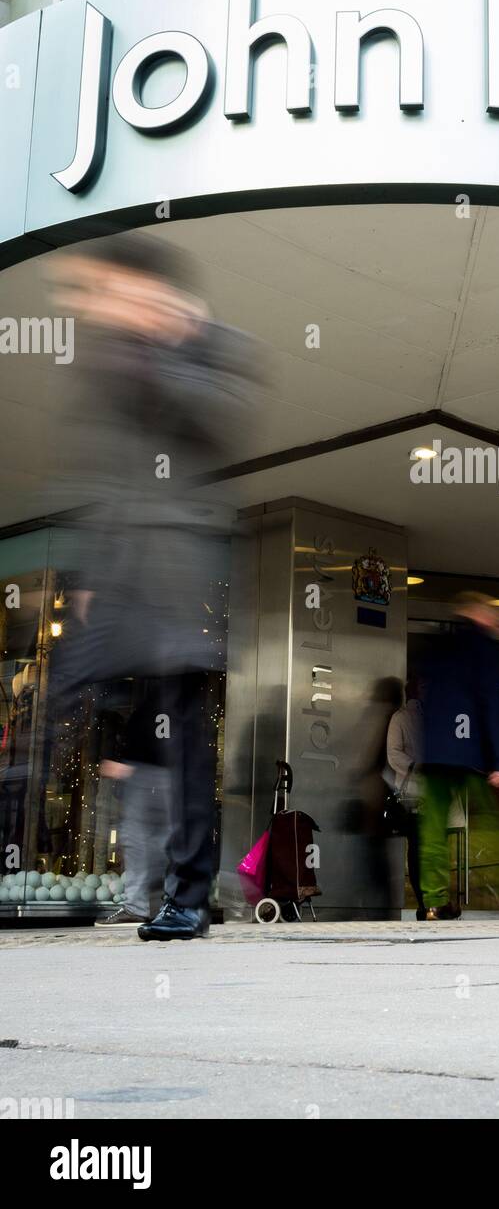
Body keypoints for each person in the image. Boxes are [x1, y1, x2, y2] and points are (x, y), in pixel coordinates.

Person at [48, 231, 261, 941]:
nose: (89, 304)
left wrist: (168, 340)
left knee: (187, 740)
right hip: (116, 575)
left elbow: (215, 427)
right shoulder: (102, 355)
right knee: (55, 707)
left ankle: (188, 896)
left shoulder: (202, 342)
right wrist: (87, 576)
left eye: (98, 288)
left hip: (172, 581)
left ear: (141, 285)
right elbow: (103, 471)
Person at [418, 594, 499, 920]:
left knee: (433, 830)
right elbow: (491, 704)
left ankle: (434, 900)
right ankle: (496, 887)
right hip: (470, 753)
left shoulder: (438, 645)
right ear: (479, 614)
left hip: (435, 754)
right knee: (489, 820)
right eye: (492, 613)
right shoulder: (484, 648)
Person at [95, 691, 172, 927]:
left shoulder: (151, 699)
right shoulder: (171, 698)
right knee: (161, 839)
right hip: (163, 772)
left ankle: (140, 906)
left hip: (144, 771)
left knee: (138, 838)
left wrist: (120, 761)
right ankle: (167, 904)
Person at [386, 676, 426, 920]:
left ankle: (429, 901)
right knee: (419, 847)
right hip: (413, 793)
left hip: (429, 792)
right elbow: (394, 753)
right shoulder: (401, 717)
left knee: (426, 848)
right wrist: (415, 767)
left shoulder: (432, 716)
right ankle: (424, 902)